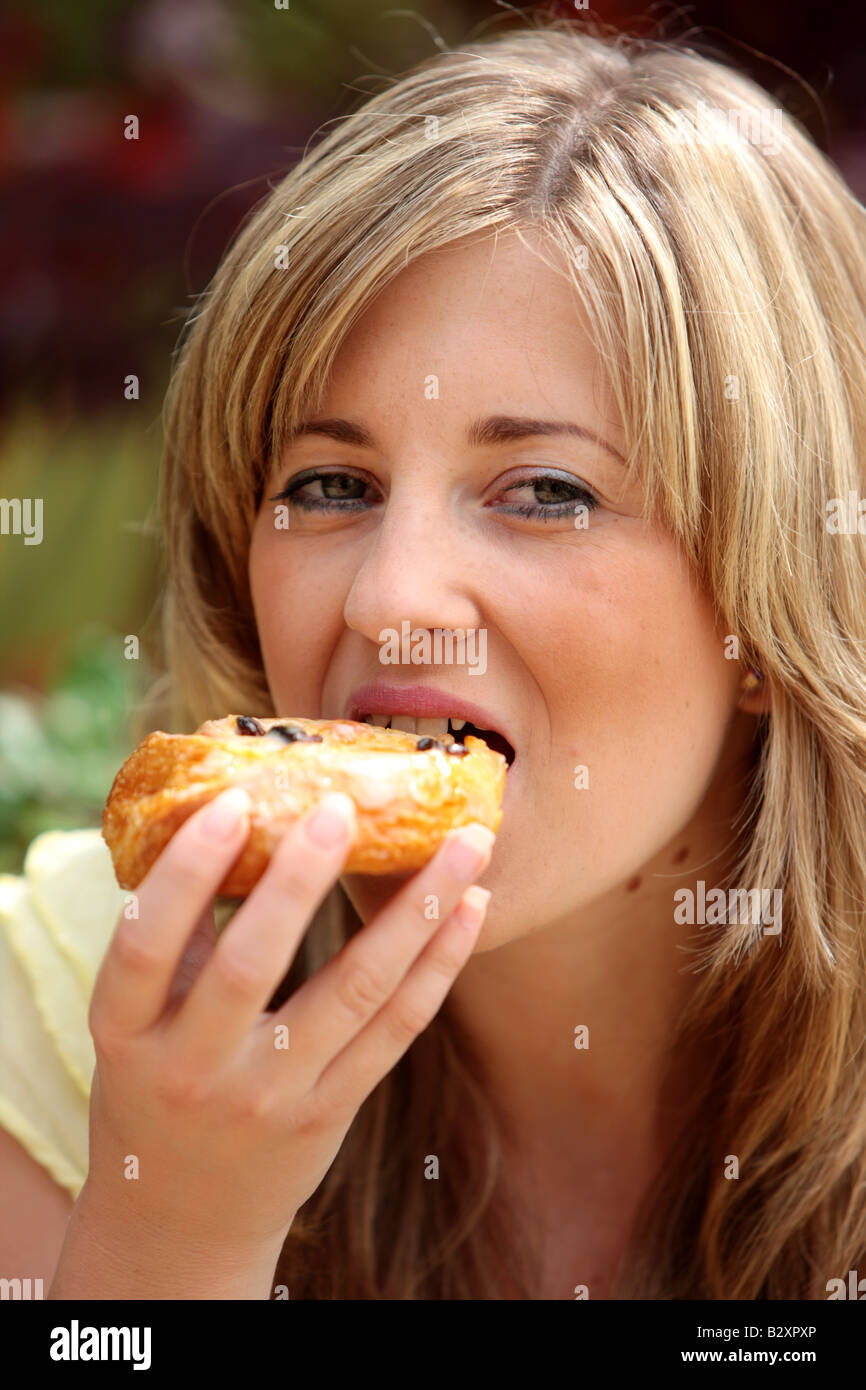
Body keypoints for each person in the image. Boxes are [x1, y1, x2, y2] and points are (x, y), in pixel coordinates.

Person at [3, 15, 865, 1299]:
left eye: (544, 492)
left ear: (766, 602)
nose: (391, 594)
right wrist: (173, 1230)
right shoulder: (71, 1011)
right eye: (331, 482)